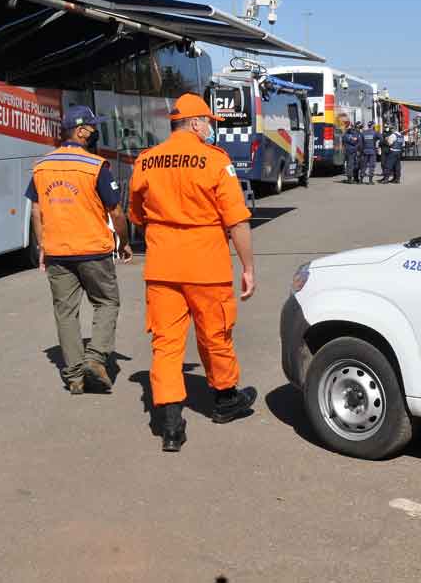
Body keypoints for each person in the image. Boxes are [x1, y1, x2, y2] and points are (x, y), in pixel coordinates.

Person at [128, 93, 257, 453]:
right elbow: (237, 221)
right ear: (197, 123)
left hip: (162, 268)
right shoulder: (215, 160)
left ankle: (171, 425)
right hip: (207, 268)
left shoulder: (147, 160)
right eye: (209, 123)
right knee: (215, 335)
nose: (211, 129)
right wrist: (248, 267)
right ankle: (225, 401)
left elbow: (136, 213)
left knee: (166, 345)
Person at [26, 105, 133, 395]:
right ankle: (95, 358)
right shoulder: (95, 166)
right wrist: (124, 243)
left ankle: (74, 377)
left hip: (58, 251)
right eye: (93, 127)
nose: (96, 132)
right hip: (93, 250)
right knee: (107, 302)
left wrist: (43, 245)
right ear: (82, 130)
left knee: (66, 313)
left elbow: (36, 211)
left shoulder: (42, 166)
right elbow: (117, 212)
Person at [360, 120, 381, 185]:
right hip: (372, 151)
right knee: (371, 166)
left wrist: (362, 151)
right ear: (373, 125)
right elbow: (381, 138)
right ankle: (370, 181)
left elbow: (361, 143)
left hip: (365, 151)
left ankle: (361, 180)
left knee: (364, 166)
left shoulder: (363, 133)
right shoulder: (375, 132)